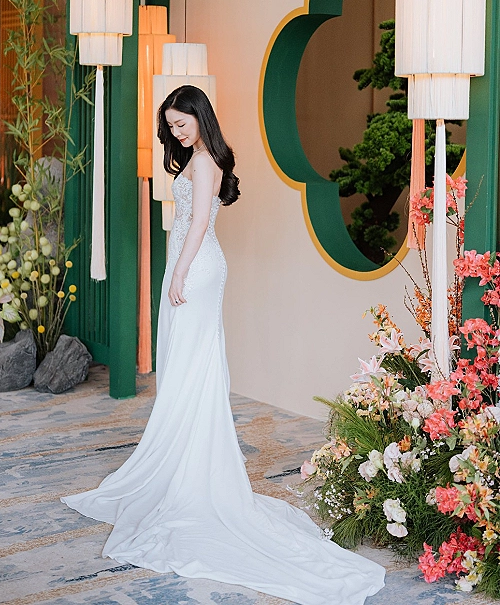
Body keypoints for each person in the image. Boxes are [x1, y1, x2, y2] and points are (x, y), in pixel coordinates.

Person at [62, 85, 385, 605]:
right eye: (169, 126)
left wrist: (179, 274)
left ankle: (192, 473)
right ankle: (180, 462)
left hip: (199, 268)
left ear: (200, 119)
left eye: (181, 124)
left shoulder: (208, 162)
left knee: (191, 368)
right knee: (182, 366)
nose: (175, 132)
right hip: (190, 268)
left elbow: (197, 226)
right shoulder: (195, 159)